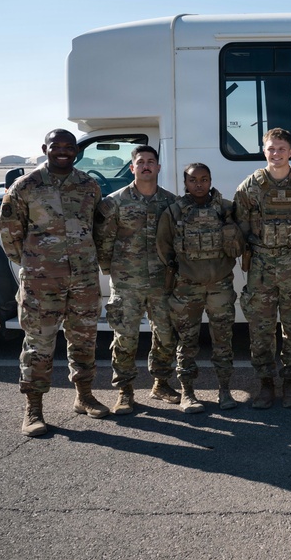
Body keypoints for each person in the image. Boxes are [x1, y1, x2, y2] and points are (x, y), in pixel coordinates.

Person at [0, 129, 109, 437]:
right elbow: (9, 231)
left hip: (84, 279)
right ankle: (34, 409)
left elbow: (97, 229)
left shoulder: (88, 185)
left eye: (68, 146)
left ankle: (84, 396)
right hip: (41, 283)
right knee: (39, 345)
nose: (63, 151)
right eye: (56, 146)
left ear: (76, 150)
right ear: (45, 148)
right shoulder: (26, 186)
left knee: (85, 340)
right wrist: (36, 262)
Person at [233, 128, 291, 409]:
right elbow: (240, 224)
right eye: (271, 148)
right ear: (264, 150)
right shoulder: (251, 186)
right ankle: (266, 385)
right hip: (261, 267)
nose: (276, 153)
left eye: (281, 148)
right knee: (261, 329)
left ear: (290, 152)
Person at [94, 145, 181, 414]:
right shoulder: (114, 202)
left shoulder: (171, 202)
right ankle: (125, 391)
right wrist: (114, 272)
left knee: (166, 335)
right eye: (140, 162)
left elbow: (178, 241)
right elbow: (103, 241)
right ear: (132, 168)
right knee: (125, 338)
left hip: (161, 282)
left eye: (151, 161)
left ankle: (161, 383)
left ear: (158, 168)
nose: (146, 165)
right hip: (127, 283)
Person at [156, 163, 244, 413]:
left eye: (204, 179)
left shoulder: (226, 209)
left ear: (210, 180)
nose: (199, 184)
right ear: (185, 182)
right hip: (187, 288)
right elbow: (164, 247)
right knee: (187, 341)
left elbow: (239, 242)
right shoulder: (174, 211)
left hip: (220, 286)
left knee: (223, 340)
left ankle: (225, 391)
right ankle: (188, 393)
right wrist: (181, 270)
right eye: (193, 180)